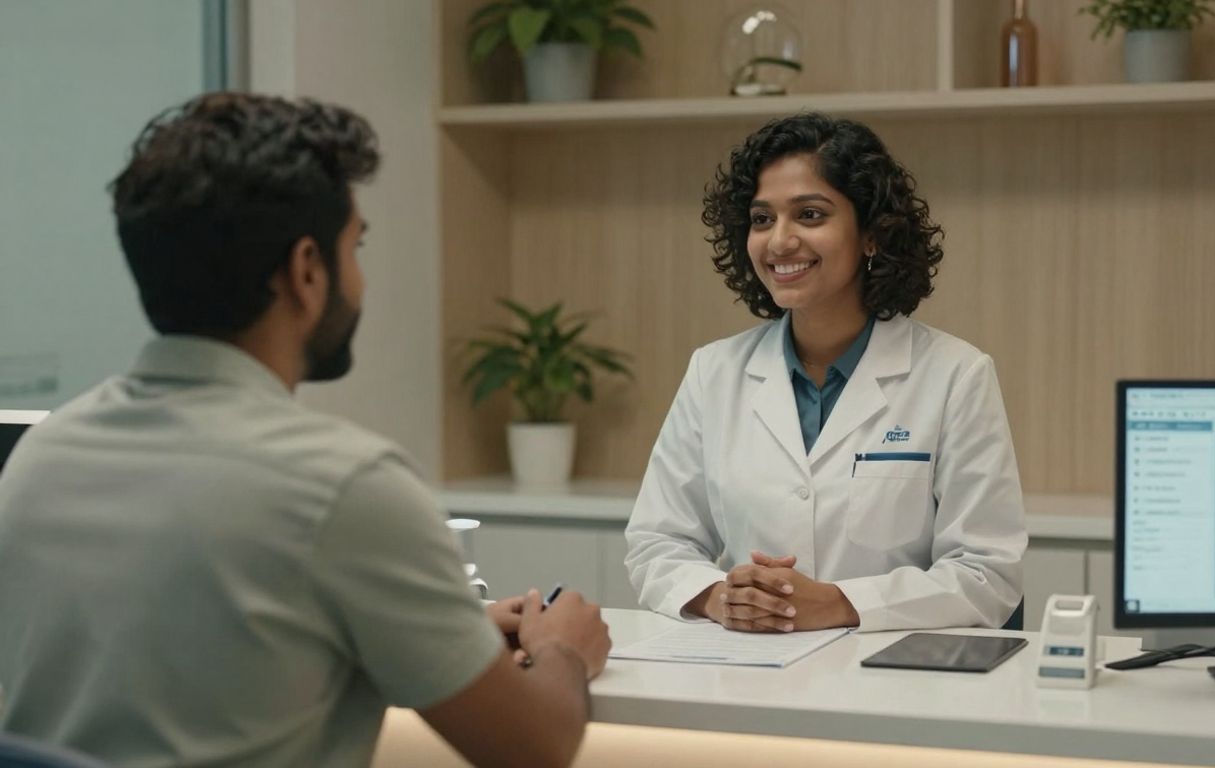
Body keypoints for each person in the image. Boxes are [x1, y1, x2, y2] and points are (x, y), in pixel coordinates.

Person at [0, 93, 609, 768]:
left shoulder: (38, 461)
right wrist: (564, 651)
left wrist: (444, 637)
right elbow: (536, 747)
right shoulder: (344, 486)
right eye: (357, 247)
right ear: (307, 271)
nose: (362, 280)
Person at [624, 112, 1026, 634]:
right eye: (762, 219)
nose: (779, 241)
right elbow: (658, 542)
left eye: (810, 214)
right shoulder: (714, 371)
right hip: (747, 670)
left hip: (891, 680)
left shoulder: (955, 375)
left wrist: (839, 603)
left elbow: (987, 574)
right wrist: (721, 597)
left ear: (872, 236)